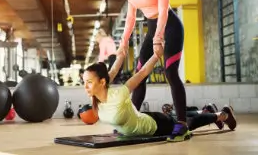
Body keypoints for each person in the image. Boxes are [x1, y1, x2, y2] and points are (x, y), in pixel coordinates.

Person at [109, 0, 189, 141]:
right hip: (151, 27)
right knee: (139, 75)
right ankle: (131, 121)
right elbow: (131, 16)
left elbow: (163, 10)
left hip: (170, 26)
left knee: (170, 73)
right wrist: (124, 42)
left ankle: (182, 124)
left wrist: (159, 36)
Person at [83, 56, 237, 141]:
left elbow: (142, 73)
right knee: (176, 116)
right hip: (141, 121)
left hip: (154, 126)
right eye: (84, 82)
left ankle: (222, 114)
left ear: (102, 82)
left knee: (187, 124)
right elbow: (112, 70)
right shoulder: (95, 99)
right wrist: (121, 52)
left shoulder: (119, 94)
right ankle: (205, 110)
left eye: (89, 82)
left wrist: (157, 55)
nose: (86, 86)